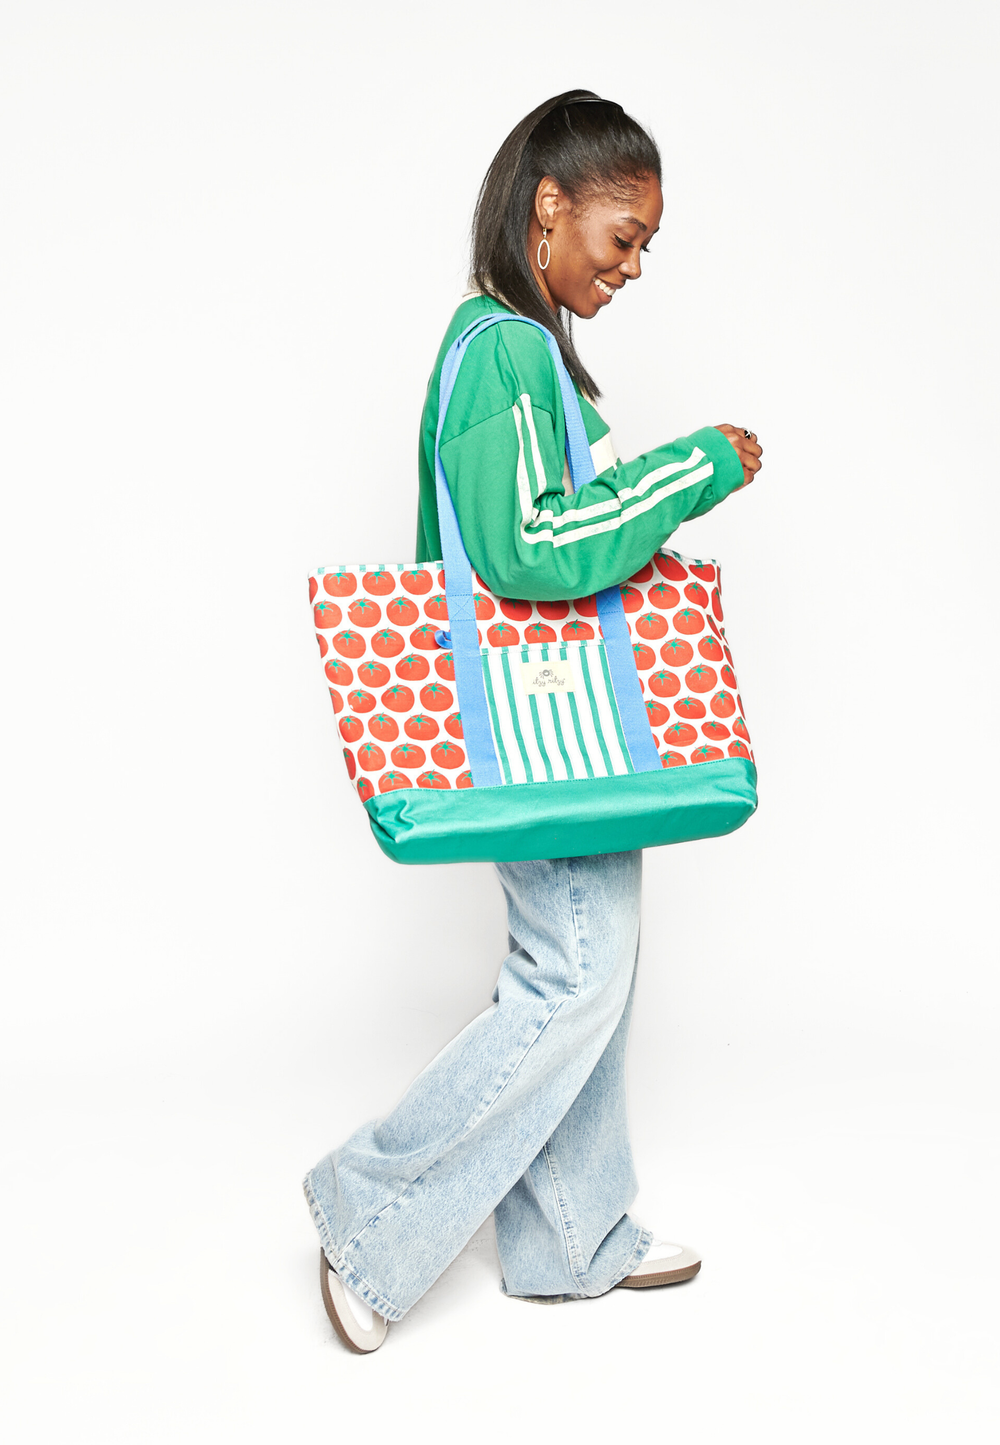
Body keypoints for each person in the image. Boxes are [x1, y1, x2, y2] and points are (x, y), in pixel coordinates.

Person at [303, 90, 763, 1354]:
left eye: (644, 250)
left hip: (556, 722)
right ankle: (370, 1214)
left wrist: (662, 473)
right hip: (544, 718)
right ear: (547, 204)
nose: (628, 268)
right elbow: (525, 549)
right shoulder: (504, 345)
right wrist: (691, 470)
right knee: (572, 976)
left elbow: (561, 507)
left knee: (587, 968)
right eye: (620, 236)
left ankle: (570, 1233)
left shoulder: (515, 346)